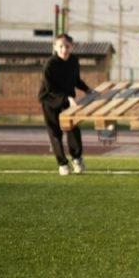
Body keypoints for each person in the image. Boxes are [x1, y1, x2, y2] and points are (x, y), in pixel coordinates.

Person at [38, 34, 91, 176]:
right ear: (55, 47)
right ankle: (63, 164)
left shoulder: (74, 61)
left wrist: (88, 90)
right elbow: (49, 89)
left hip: (67, 100)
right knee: (55, 133)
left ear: (72, 47)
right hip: (50, 100)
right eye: (61, 46)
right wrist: (67, 98)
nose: (64, 49)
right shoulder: (50, 64)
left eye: (67, 46)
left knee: (73, 128)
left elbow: (76, 80)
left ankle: (77, 159)